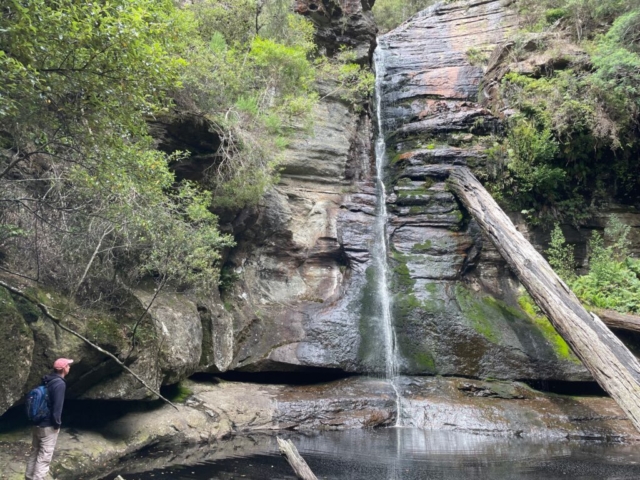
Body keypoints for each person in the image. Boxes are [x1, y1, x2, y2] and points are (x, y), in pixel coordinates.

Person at [25, 358, 73, 480]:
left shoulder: (47, 380)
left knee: (34, 453)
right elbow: (57, 407)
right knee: (44, 458)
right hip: (48, 426)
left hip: (37, 423)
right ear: (63, 368)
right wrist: (57, 425)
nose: (70, 367)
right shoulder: (60, 384)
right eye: (68, 365)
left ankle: (28, 477)